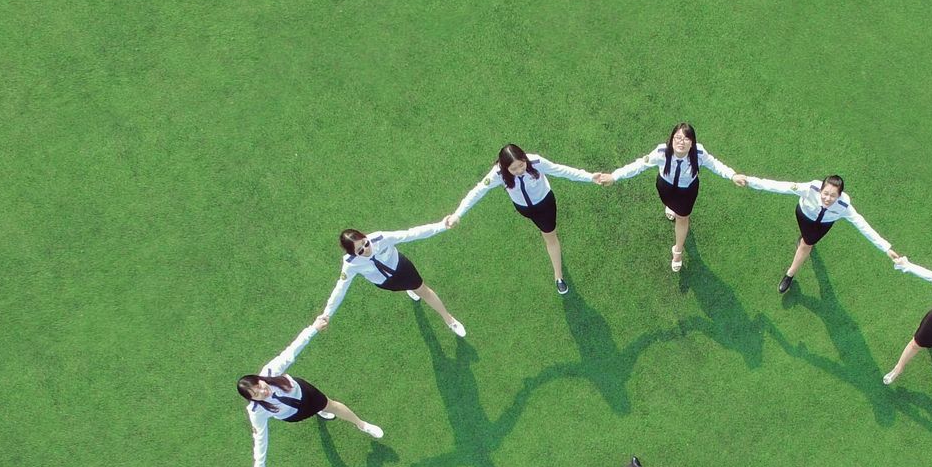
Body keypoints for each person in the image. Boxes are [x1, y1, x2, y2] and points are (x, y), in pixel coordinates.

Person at [451, 143, 604, 294]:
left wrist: (590, 177)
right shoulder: (497, 174)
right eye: (513, 169)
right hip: (524, 208)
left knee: (550, 237)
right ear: (505, 168)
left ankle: (558, 276)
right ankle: (547, 236)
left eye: (521, 165)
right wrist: (458, 214)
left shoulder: (536, 162)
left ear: (525, 158)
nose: (519, 171)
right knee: (545, 231)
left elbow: (562, 170)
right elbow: (478, 191)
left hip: (545, 204)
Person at [599, 123, 746, 273]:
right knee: (671, 206)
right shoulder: (661, 152)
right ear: (671, 139)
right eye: (678, 137)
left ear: (692, 142)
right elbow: (638, 165)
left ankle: (677, 251)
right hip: (665, 187)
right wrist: (614, 176)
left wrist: (732, 175)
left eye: (686, 138)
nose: (681, 142)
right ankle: (671, 208)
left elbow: (715, 164)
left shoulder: (699, 153)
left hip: (687, 191)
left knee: (682, 218)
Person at [734, 173, 901, 293]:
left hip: (822, 226)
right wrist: (749, 181)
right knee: (804, 239)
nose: (828, 198)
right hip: (804, 215)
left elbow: (863, 225)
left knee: (807, 244)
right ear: (820, 189)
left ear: (840, 195)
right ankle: (803, 241)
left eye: (833, 196)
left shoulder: (844, 207)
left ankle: (790, 274)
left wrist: (886, 248)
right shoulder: (809, 188)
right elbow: (780, 186)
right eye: (825, 193)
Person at [311, 221, 465, 337]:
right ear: (352, 254)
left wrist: (443, 225)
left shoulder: (380, 238)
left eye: (365, 243)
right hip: (386, 282)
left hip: (403, 268)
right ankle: (409, 289)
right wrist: (327, 314)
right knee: (410, 289)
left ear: (365, 237)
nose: (366, 249)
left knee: (424, 291)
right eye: (360, 250)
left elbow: (412, 233)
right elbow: (340, 288)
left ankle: (449, 319)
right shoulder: (350, 264)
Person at [237, 373, 383, 440]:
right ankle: (319, 411)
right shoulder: (256, 412)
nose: (263, 392)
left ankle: (362, 425)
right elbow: (260, 437)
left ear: (259, 378)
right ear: (252, 399)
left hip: (305, 392)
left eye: (259, 386)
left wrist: (314, 328)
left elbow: (293, 348)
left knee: (332, 406)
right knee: (318, 410)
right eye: (256, 394)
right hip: (294, 414)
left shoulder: (271, 370)